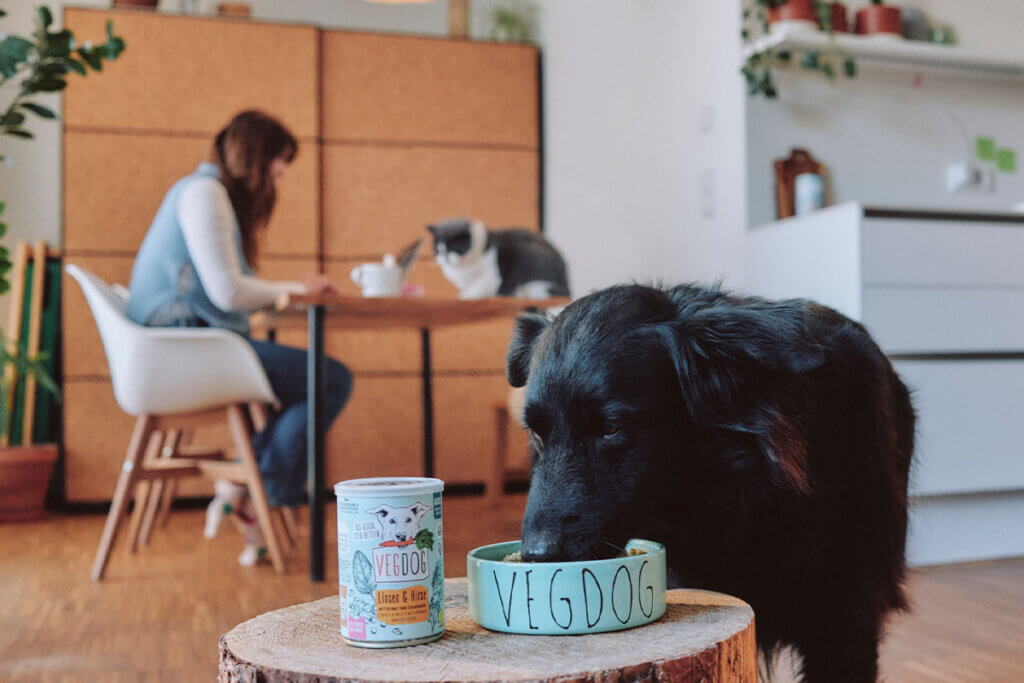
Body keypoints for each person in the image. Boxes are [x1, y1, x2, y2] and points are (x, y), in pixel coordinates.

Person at [126, 110, 353, 566]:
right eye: (278, 160)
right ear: (255, 153)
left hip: (183, 346)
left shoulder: (206, 194)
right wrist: (296, 291)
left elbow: (226, 292)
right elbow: (227, 292)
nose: (281, 172)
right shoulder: (204, 193)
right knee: (329, 379)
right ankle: (254, 489)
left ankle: (245, 488)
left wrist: (289, 293)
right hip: (186, 350)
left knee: (314, 381)